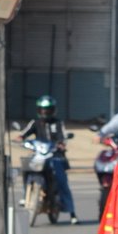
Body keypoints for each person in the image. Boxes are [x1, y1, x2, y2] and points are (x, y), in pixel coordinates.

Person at [13, 94, 78, 223]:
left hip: (55, 156)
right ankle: (26, 194)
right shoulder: (35, 123)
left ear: (53, 110)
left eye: (48, 110)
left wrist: (61, 144)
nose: (45, 112)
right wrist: (20, 139)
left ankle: (72, 212)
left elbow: (63, 136)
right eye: (43, 110)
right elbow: (24, 134)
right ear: (39, 110)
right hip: (39, 154)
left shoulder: (58, 123)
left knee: (62, 182)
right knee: (26, 167)